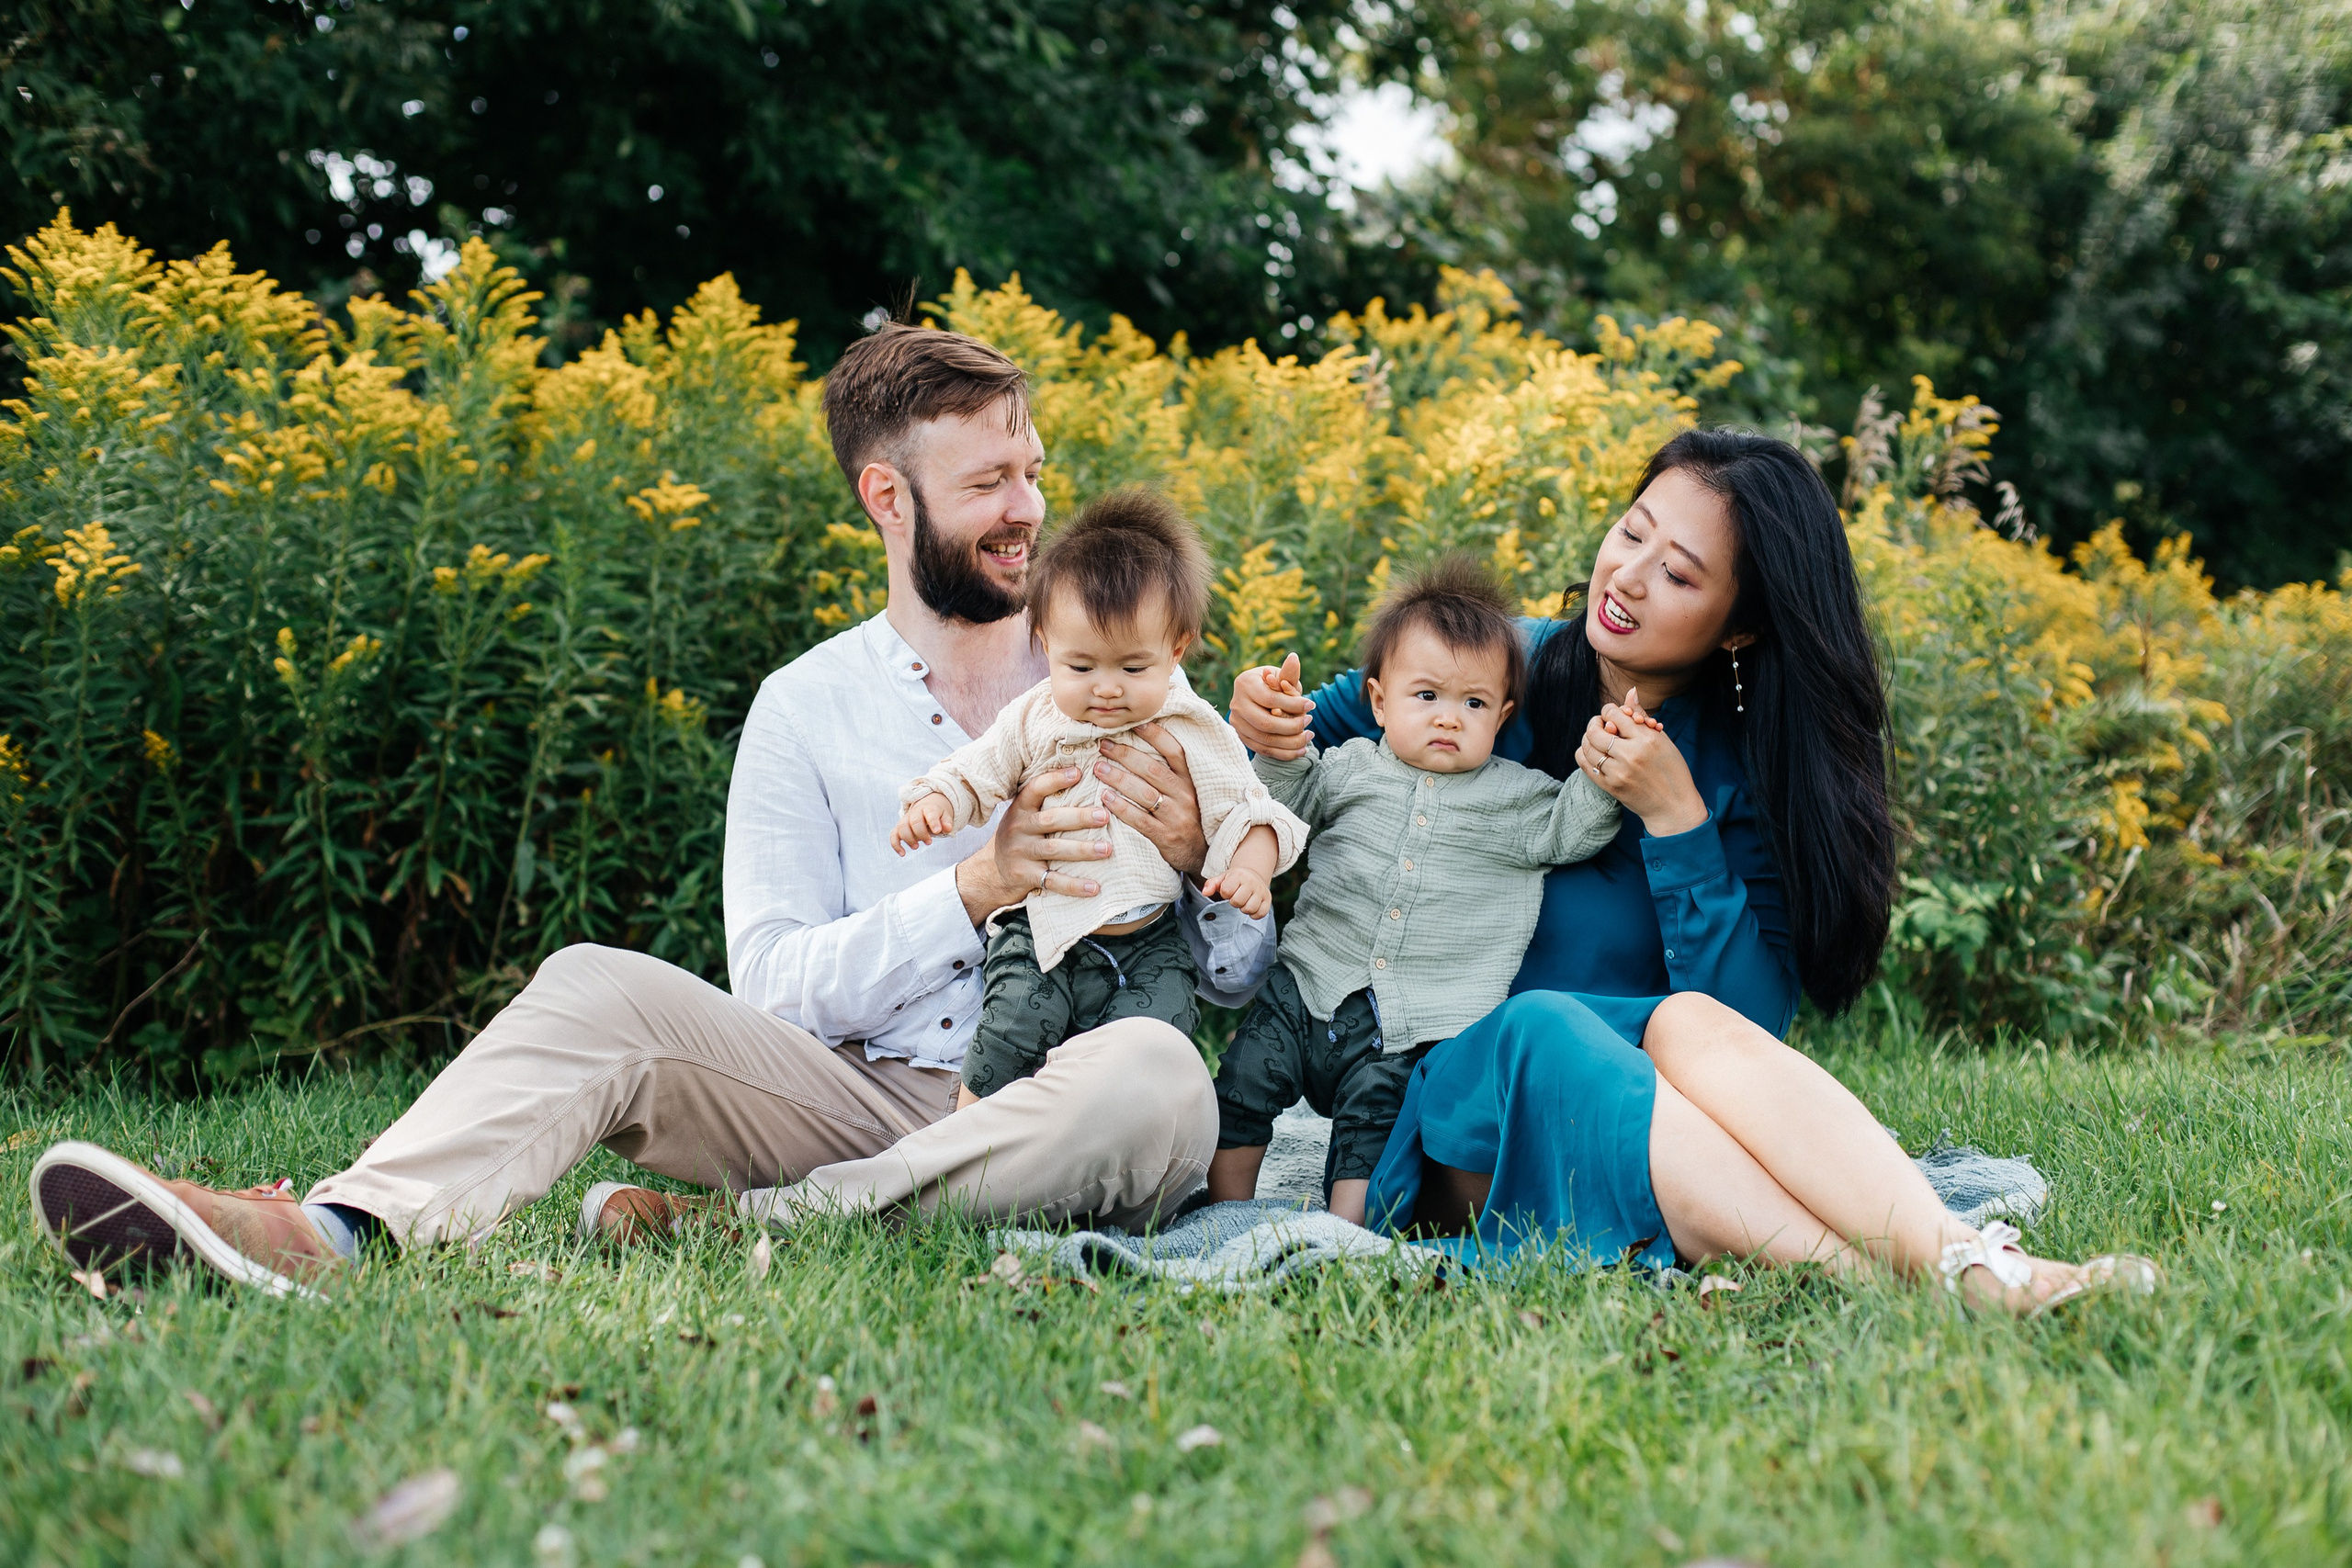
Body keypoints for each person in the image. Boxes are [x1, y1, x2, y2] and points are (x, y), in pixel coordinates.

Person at [30, 323, 1272, 1298]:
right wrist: (971, 889)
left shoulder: (1136, 679)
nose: (1028, 509)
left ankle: (734, 1228)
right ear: (887, 497)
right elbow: (774, 989)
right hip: (854, 1098)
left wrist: (1195, 863)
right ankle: (336, 1228)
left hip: (1069, 1096)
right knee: (590, 981)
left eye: (1033, 471)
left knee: (1161, 1074)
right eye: (990, 481)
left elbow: (1234, 986)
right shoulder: (805, 707)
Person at [1230, 429, 2156, 1313]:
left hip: (1648, 1118)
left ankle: (1963, 1263)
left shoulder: (1751, 767)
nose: (1627, 577)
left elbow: (1742, 1035)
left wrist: (1677, 822)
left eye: (1677, 573)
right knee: (1544, 1028)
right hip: (1431, 1110)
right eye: (1631, 532)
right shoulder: (1486, 673)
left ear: (1740, 628)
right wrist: (1262, 720)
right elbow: (1306, 734)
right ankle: (1898, 1278)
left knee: (1673, 1020)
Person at [1204, 557, 1618, 1224]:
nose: (1449, 718)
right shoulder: (1349, 768)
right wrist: (1280, 749)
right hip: (1308, 982)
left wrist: (1600, 768)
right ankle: (1222, 1213)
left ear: (1503, 714)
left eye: (1474, 703)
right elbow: (1285, 801)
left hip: (1414, 1023)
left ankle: (1344, 1235)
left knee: (1372, 1127)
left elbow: (1573, 829)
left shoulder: (1518, 798)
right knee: (1243, 1084)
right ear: (1378, 702)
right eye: (1426, 696)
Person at [893, 490, 1303, 1102]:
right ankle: (963, 1144)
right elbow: (978, 770)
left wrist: (1249, 863)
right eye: (1081, 667)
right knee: (1010, 1029)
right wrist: (938, 803)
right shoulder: (1035, 717)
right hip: (1043, 931)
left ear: (1176, 652)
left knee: (1157, 1047)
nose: (1106, 689)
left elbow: (1253, 810)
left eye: (1133, 668)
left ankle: (1132, 1170)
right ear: (1046, 646)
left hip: (1150, 939)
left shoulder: (1191, 728)